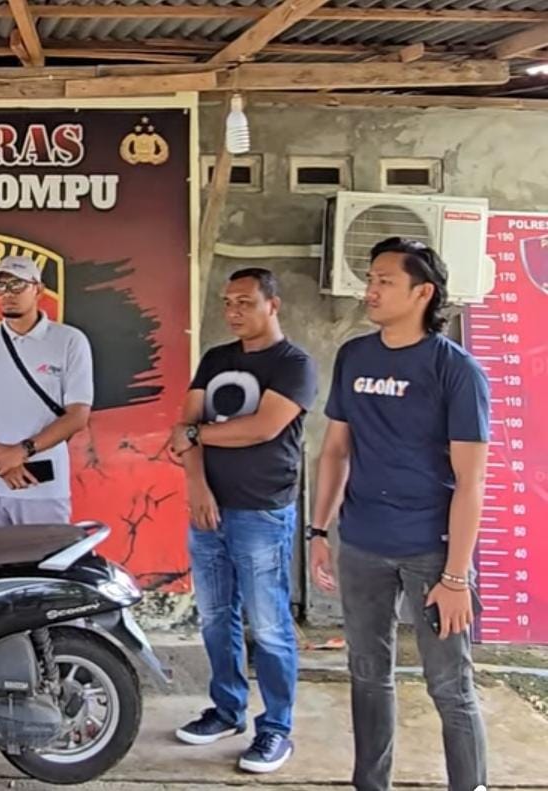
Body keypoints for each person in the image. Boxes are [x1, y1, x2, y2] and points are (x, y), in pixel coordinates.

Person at [309, 237, 489, 791]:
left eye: (385, 281)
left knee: (450, 685)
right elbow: (335, 451)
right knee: (367, 675)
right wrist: (318, 531)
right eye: (370, 278)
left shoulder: (455, 370)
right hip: (363, 544)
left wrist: (455, 578)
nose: (371, 289)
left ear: (422, 293)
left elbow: (471, 481)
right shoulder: (354, 356)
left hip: (432, 551)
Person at [170, 268, 317, 774]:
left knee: (270, 626)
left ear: (273, 305)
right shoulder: (216, 359)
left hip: (262, 513)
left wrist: (196, 434)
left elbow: (262, 427)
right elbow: (183, 426)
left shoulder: (294, 364)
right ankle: (227, 709)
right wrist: (197, 487)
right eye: (228, 302)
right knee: (216, 619)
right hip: (208, 510)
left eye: (246, 302)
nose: (233, 311)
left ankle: (275, 728)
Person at [0, 255, 93, 531]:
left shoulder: (70, 341)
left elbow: (77, 416)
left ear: (38, 289)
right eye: (0, 287)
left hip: (42, 483)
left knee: (44, 557)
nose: (8, 294)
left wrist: (21, 452)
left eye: (17, 285)